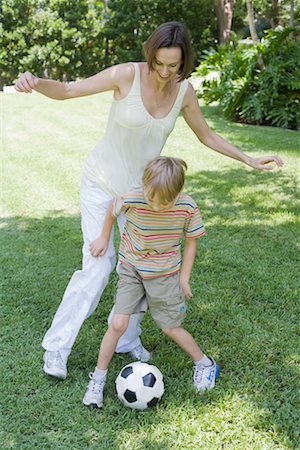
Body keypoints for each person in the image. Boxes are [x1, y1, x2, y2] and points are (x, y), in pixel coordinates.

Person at [14, 21, 284, 381]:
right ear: (151, 55)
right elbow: (66, 90)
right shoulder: (126, 75)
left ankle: (127, 338)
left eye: (173, 65)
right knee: (98, 264)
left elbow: (207, 135)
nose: (164, 72)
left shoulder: (183, 91)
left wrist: (249, 159)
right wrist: (36, 83)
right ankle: (57, 348)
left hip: (143, 196)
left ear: (183, 61)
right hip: (100, 184)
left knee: (144, 264)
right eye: (159, 63)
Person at [83, 156, 220, 408]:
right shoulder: (133, 199)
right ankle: (97, 380)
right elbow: (112, 209)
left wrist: (184, 277)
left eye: (164, 202)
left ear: (178, 192)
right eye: (151, 199)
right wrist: (104, 238)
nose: (156, 206)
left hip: (164, 274)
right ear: (144, 187)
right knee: (118, 323)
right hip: (132, 269)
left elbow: (191, 241)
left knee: (170, 327)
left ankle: (205, 364)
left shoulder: (187, 207)